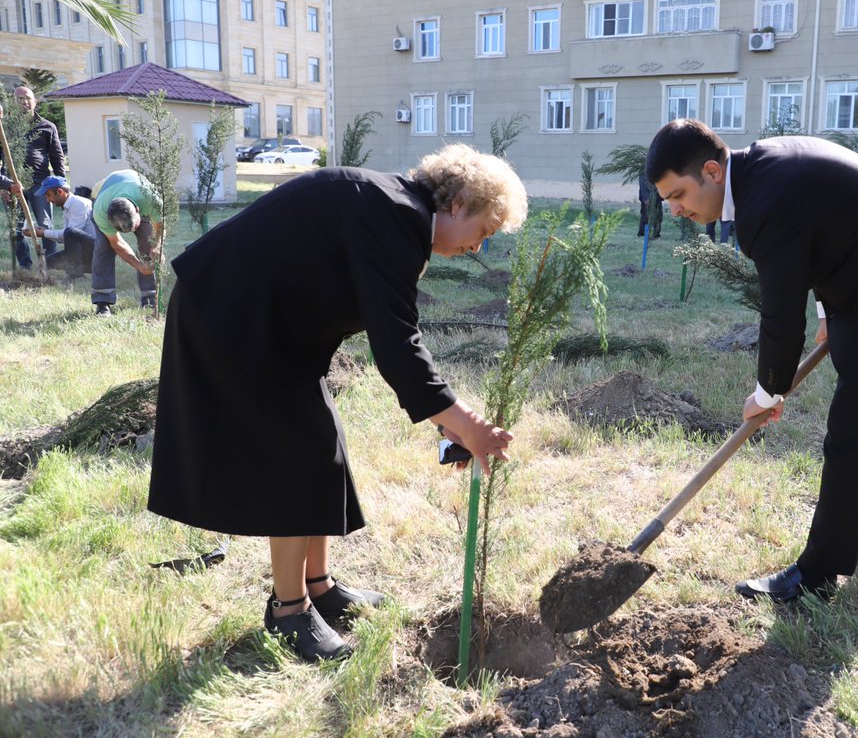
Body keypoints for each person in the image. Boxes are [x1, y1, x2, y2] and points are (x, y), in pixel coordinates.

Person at [147, 144, 527, 662]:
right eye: (483, 231)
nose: (478, 248)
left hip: (271, 323)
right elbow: (396, 343)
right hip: (229, 312)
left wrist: (449, 422)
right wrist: (465, 422)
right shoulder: (395, 215)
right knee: (299, 453)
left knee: (323, 445)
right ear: (458, 203)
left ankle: (318, 586)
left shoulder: (398, 215)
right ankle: (289, 612)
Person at [645, 119, 858, 602]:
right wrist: (827, 310)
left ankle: (817, 573)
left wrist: (766, 393)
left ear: (713, 171)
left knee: (855, 419)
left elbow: (781, 317)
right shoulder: (761, 174)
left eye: (678, 193)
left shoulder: (764, 200)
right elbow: (826, 230)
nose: (675, 209)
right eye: (666, 200)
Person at [90, 170, 163, 315]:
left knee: (148, 244)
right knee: (104, 247)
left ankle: (149, 299)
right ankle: (102, 302)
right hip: (100, 195)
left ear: (138, 211)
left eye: (133, 226)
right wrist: (139, 266)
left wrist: (156, 246)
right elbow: (116, 243)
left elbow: (159, 226)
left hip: (137, 192)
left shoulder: (150, 198)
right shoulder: (100, 212)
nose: (130, 232)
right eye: (124, 230)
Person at [13, 86, 67, 270]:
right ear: (14, 103)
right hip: (14, 185)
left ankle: (49, 264)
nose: (24, 102)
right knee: (17, 228)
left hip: (41, 184)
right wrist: (3, 186)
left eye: (27, 98)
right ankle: (25, 266)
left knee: (45, 226)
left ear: (35, 101)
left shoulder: (47, 127)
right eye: (19, 99)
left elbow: (57, 156)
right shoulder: (6, 128)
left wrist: (61, 184)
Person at [21, 175, 96, 279]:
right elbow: (66, 238)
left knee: (71, 232)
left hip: (95, 253)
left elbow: (71, 233)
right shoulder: (67, 206)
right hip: (83, 250)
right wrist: (45, 232)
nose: (47, 200)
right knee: (47, 262)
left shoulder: (79, 204)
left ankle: (76, 275)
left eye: (48, 195)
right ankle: (75, 272)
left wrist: (43, 233)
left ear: (60, 191)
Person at [637, 171, 663, 239]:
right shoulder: (643, 170)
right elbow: (643, 184)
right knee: (645, 216)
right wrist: (646, 198)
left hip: (657, 196)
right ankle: (642, 233)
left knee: (658, 216)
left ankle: (656, 234)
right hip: (647, 198)